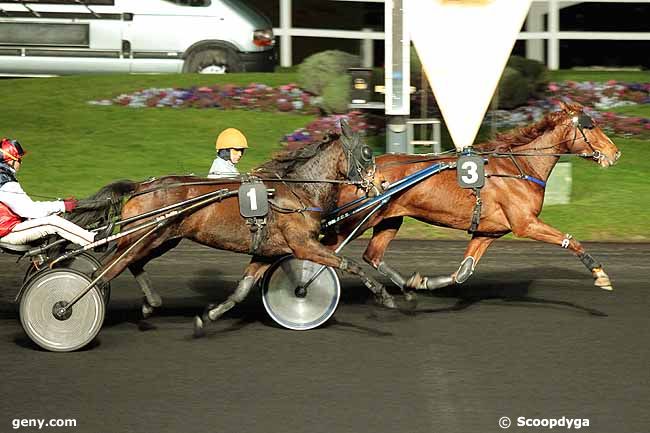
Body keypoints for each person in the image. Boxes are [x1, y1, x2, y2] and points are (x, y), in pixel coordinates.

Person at [0, 138, 97, 247]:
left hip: (11, 227)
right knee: (52, 222)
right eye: (19, 159)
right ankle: (94, 241)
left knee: (52, 215)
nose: (20, 163)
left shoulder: (4, 179)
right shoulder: (6, 183)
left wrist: (59, 204)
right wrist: (62, 205)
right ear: (9, 160)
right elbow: (30, 210)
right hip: (9, 232)